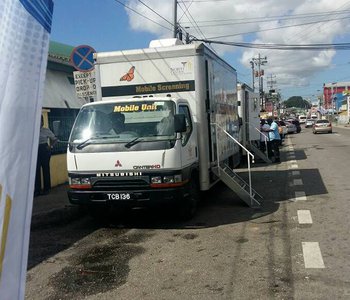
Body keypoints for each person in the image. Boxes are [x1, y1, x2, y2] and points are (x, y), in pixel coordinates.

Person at [34, 116, 58, 196]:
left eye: (41, 121)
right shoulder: (32, 130)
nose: (40, 122)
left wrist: (50, 146)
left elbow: (55, 139)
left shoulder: (46, 130)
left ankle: (47, 189)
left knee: (45, 169)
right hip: (36, 150)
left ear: (43, 122)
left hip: (44, 149)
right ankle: (37, 190)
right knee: (36, 170)